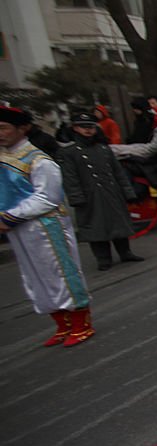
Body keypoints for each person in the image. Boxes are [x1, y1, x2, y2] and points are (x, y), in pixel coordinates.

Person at [0, 106, 95, 347]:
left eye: (3, 128)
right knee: (33, 275)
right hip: (17, 226)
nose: (0, 134)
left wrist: (11, 216)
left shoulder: (40, 161)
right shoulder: (5, 158)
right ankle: (62, 323)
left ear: (23, 129)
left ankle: (80, 322)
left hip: (44, 225)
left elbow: (48, 197)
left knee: (59, 272)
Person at [58, 110, 142, 271]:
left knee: (119, 223)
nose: (88, 130)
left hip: (111, 191)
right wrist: (76, 197)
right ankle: (103, 258)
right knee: (95, 227)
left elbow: (118, 172)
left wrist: (128, 191)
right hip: (90, 195)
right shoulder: (69, 152)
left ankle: (125, 252)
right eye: (83, 127)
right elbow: (70, 178)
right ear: (75, 128)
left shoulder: (104, 149)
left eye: (90, 126)